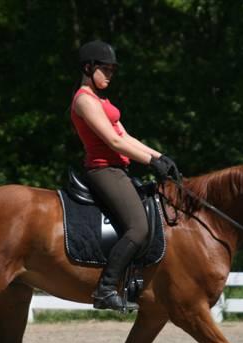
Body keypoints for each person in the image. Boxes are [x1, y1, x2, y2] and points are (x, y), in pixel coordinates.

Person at [70, 40, 180, 311]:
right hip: (103, 170)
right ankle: (105, 288)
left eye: (112, 70)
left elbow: (126, 137)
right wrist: (151, 162)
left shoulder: (103, 101)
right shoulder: (84, 100)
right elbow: (113, 143)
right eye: (104, 69)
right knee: (139, 228)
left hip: (119, 169)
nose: (109, 74)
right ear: (88, 67)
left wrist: (160, 158)